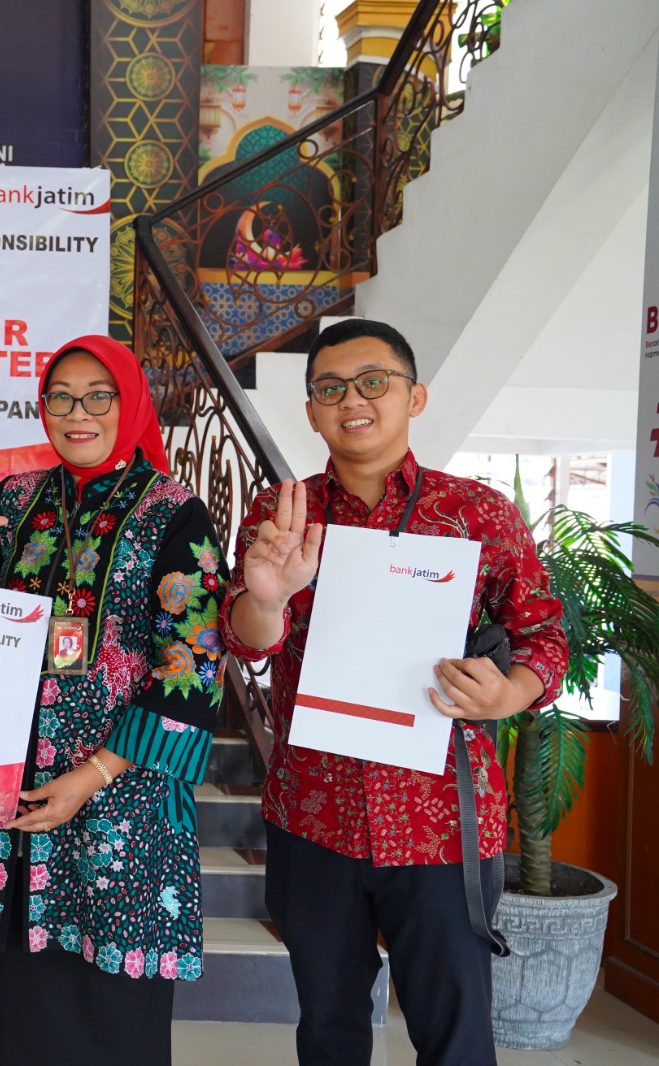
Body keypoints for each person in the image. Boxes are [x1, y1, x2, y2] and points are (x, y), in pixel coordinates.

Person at [218, 318, 568, 1065]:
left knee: (455, 1035)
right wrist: (268, 597)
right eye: (331, 388)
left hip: (441, 822)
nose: (353, 400)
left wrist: (506, 695)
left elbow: (543, 635)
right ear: (311, 410)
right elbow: (246, 641)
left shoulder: (477, 513)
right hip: (315, 814)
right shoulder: (284, 515)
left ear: (415, 397)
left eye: (373, 382)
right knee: (329, 1030)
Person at [0, 335, 228, 1066]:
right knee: (23, 1014)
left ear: (131, 403)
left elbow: (192, 665)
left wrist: (89, 778)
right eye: (60, 397)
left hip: (125, 801)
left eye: (98, 396)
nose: (77, 412)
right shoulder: (15, 502)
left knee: (112, 1016)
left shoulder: (174, 514)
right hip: (19, 797)